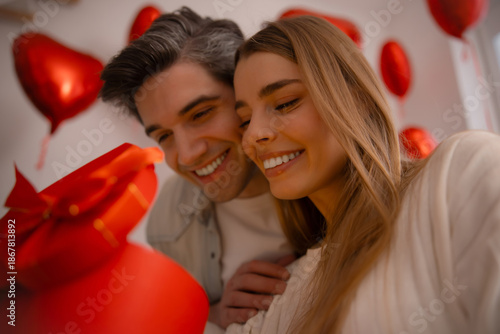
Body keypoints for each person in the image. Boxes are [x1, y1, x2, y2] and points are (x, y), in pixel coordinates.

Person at [228, 15, 500, 334]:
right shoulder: (281, 294)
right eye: (245, 120)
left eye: (285, 103)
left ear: (356, 97)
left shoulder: (459, 174)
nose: (254, 135)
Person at [99, 7, 297, 331]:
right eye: (164, 136)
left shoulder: (314, 159)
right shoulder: (167, 219)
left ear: (243, 89)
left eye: (201, 114)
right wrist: (214, 313)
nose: (188, 156)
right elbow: (174, 316)